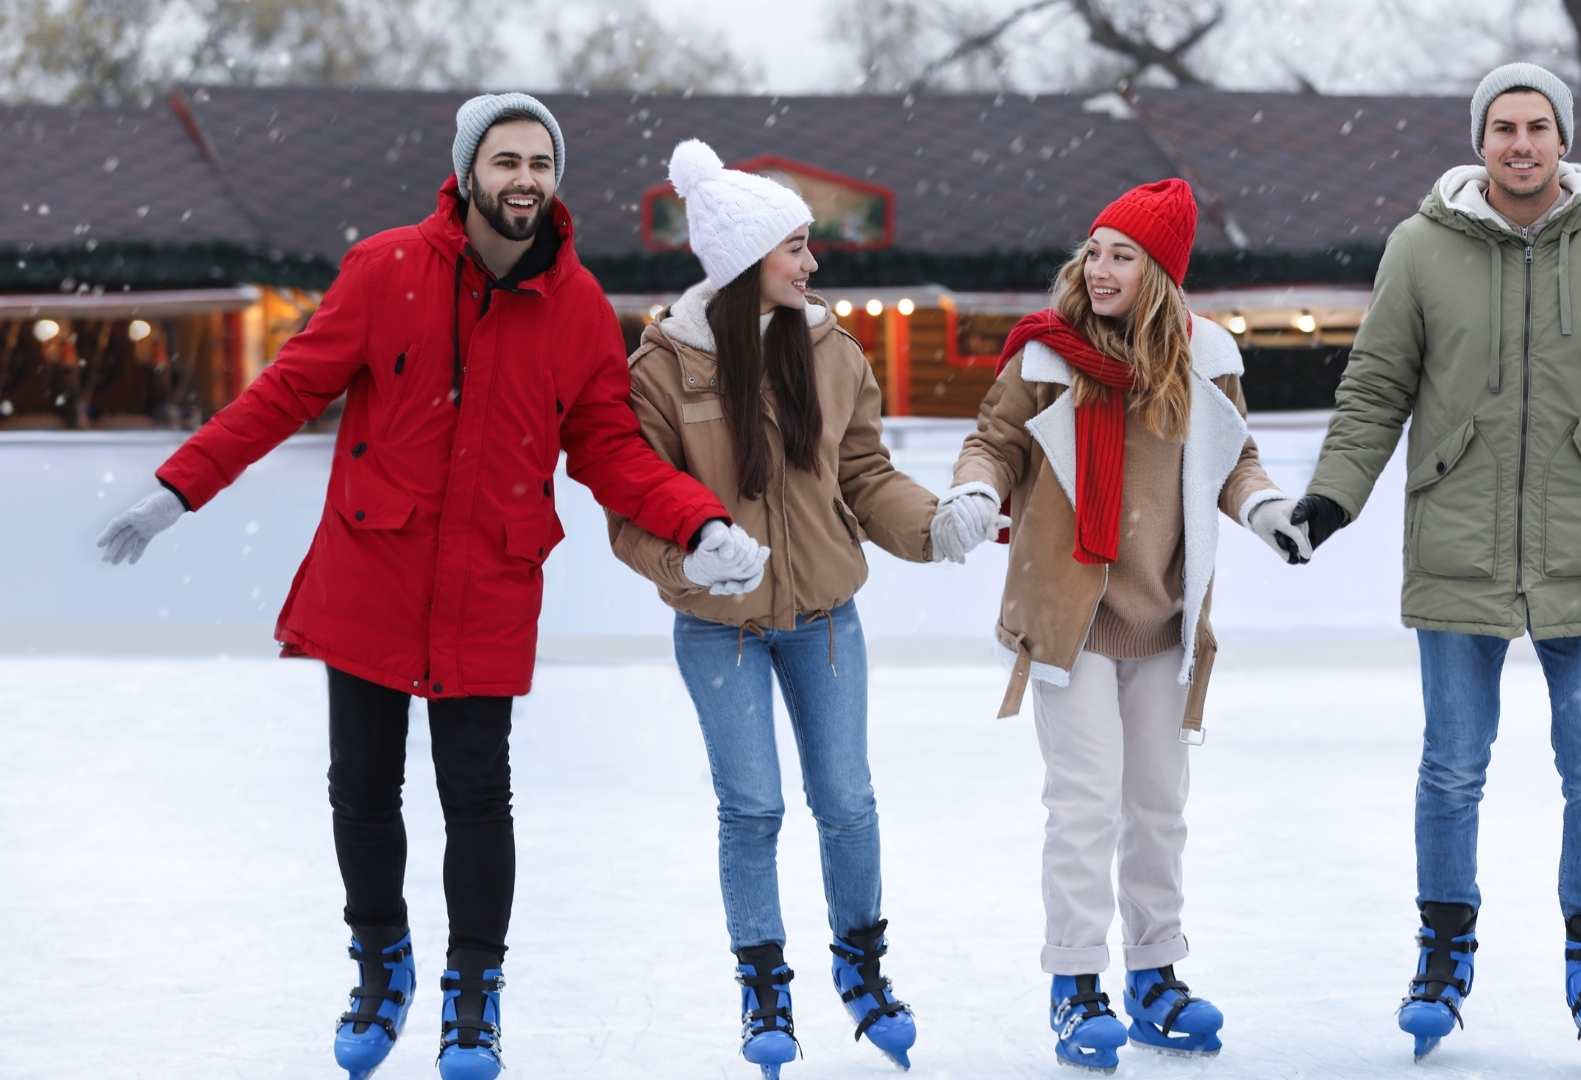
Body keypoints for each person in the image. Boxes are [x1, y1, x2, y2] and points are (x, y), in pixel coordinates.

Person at [94, 94, 767, 1080]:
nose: (525, 179)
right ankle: (380, 962)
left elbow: (613, 451)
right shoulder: (387, 271)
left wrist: (696, 520)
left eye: (541, 162)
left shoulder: (577, 308)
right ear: (468, 170)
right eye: (506, 161)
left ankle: (473, 992)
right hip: (371, 565)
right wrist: (176, 489)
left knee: (476, 797)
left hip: (490, 578)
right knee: (361, 792)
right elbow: (287, 391)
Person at [1286, 63, 1581, 1073]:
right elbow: (1375, 386)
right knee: (1451, 768)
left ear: (1563, 139)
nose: (1521, 145)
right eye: (1504, 129)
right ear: (1481, 142)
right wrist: (1333, 495)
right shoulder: (1421, 250)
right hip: (1459, 545)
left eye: (1538, 127)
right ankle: (1444, 953)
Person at [933, 177, 1311, 1072]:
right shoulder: (1043, 356)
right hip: (1072, 618)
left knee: (1157, 806)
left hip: (1165, 615)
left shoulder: (1206, 360)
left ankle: (1155, 976)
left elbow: (1236, 460)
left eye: (1123, 256)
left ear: (1162, 275)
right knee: (1084, 804)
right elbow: (994, 441)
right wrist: (976, 488)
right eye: (1095, 251)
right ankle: (1075, 984)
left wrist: (1268, 515)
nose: (1099, 270)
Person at [607, 139, 937, 1079]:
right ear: (750, 259)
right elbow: (632, 514)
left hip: (828, 617)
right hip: (721, 629)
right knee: (751, 807)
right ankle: (764, 988)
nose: (813, 262)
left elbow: (866, 475)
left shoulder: (829, 350)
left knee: (847, 801)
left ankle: (864, 968)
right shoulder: (664, 370)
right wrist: (692, 567)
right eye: (796, 246)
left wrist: (932, 527)